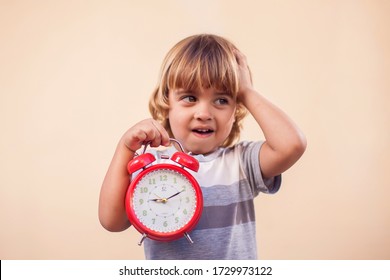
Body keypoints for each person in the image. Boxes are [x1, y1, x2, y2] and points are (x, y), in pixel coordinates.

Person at [98, 34, 306, 259]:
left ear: (236, 111)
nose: (204, 114)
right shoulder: (152, 170)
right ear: (167, 103)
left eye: (222, 100)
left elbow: (292, 144)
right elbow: (112, 221)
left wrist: (246, 91)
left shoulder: (242, 163)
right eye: (189, 97)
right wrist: (125, 148)